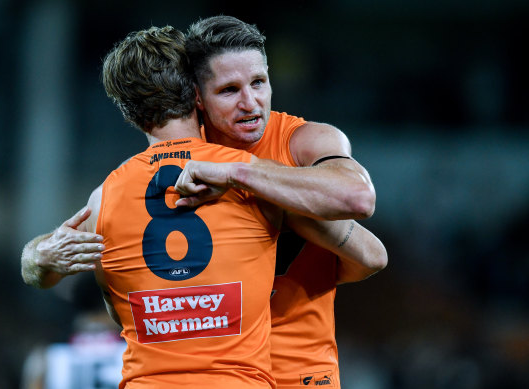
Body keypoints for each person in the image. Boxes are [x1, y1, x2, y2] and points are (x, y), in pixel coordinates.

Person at [21, 16, 387, 389]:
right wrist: (37, 257)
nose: (250, 102)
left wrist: (242, 178)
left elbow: (361, 209)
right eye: (229, 90)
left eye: (259, 83)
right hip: (235, 374)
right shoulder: (175, 170)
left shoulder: (299, 142)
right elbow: (49, 257)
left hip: (299, 369)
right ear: (196, 95)